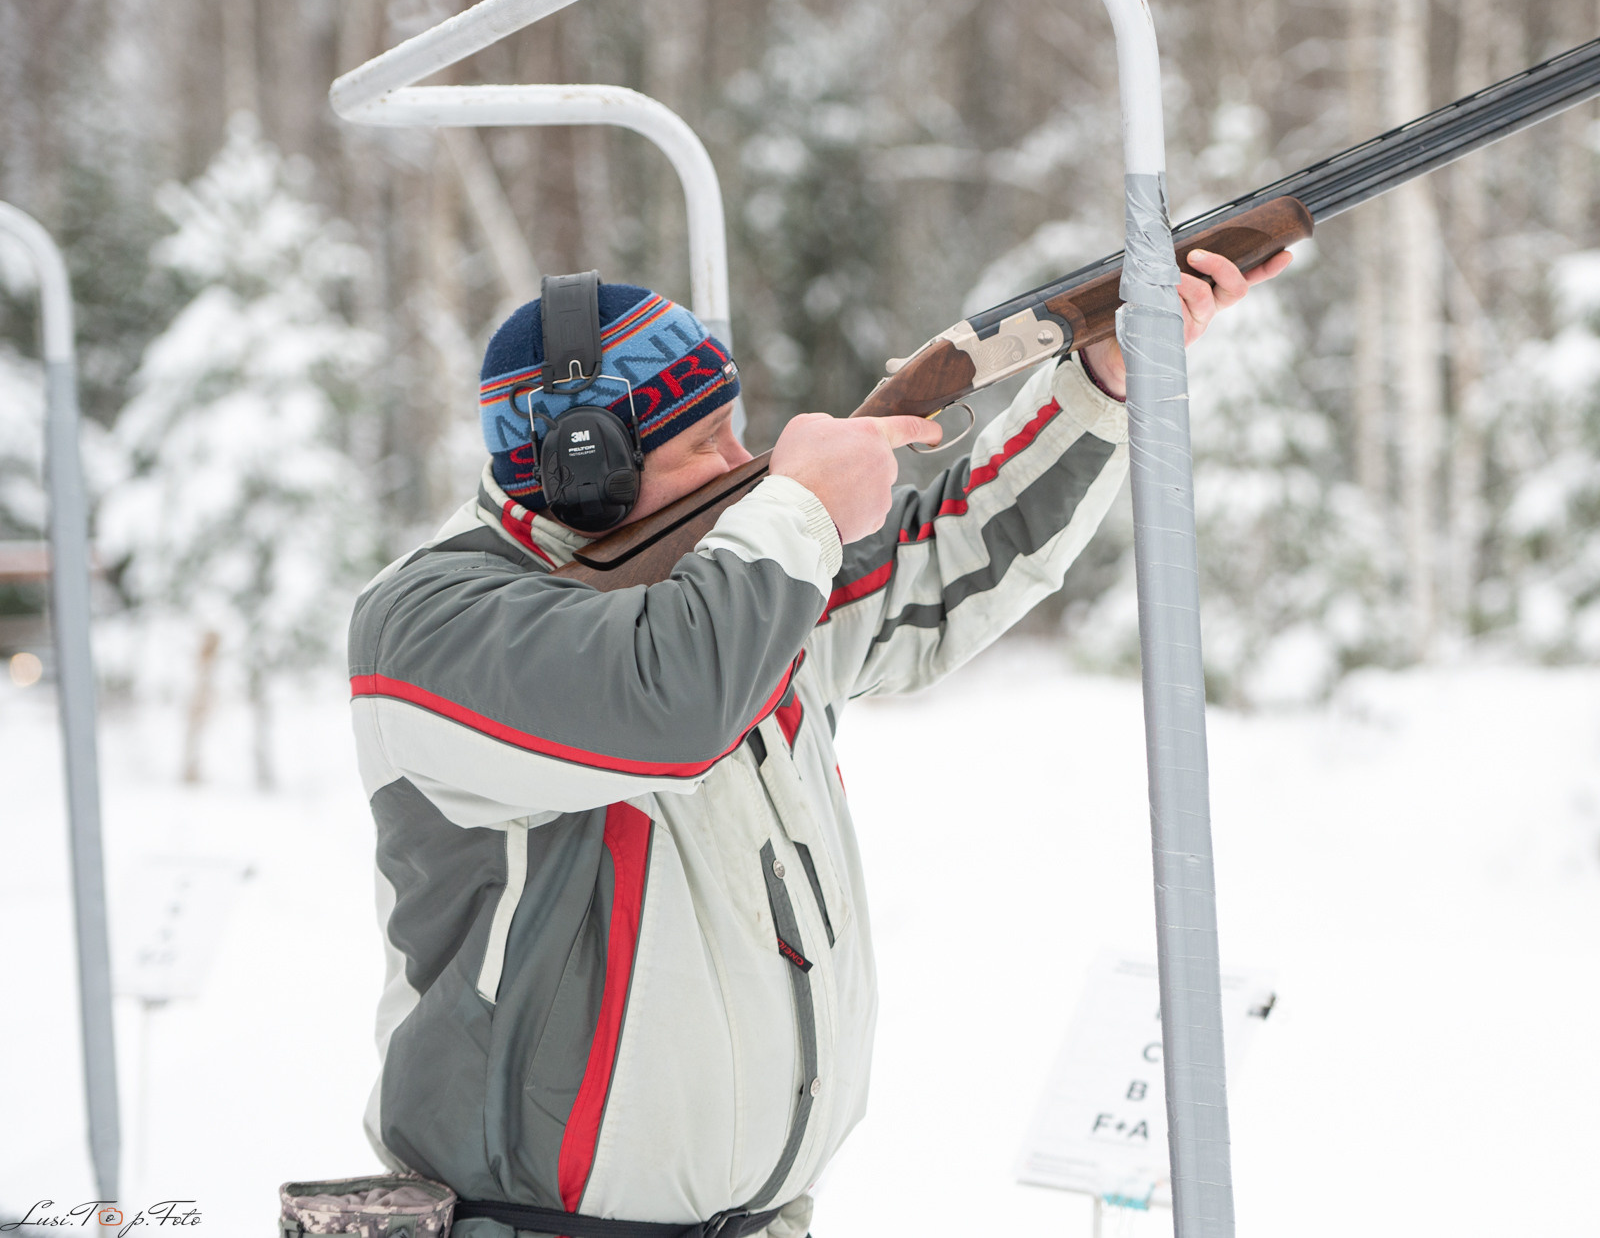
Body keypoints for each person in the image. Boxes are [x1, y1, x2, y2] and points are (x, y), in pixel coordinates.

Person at [349, 247, 1290, 1238]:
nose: (739, 468)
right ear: (585, 474)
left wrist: (1100, 385)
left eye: (736, 432)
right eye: (703, 445)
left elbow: (958, 558)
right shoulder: (430, 626)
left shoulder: (730, 576)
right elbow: (669, 708)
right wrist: (799, 511)